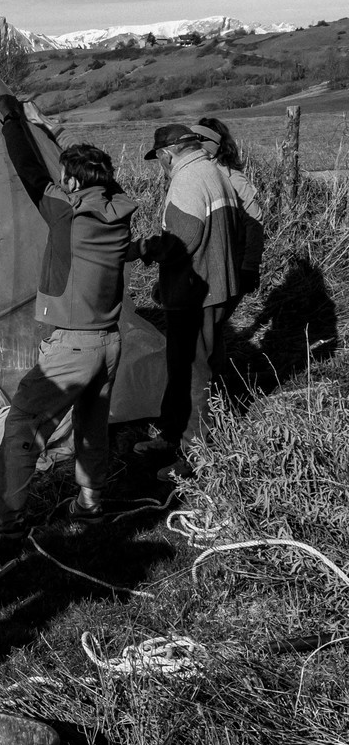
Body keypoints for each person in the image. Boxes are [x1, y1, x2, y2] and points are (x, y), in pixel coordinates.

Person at [0, 99, 144, 534]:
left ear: (72, 182)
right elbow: (100, 175)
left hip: (73, 346)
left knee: (24, 423)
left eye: (65, 177)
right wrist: (52, 129)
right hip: (109, 341)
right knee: (92, 426)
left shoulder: (66, 211)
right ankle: (90, 505)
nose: (60, 181)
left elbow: (28, 170)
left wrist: (10, 119)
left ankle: (6, 519)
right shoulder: (119, 208)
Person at [136, 123, 242, 478]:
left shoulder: (186, 179)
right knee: (185, 365)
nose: (162, 166)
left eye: (160, 159)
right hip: (215, 285)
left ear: (167, 154)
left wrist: (145, 248)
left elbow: (181, 240)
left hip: (195, 293)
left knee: (194, 372)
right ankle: (172, 434)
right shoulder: (214, 172)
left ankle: (195, 454)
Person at [193, 116, 265, 298]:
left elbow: (254, 222)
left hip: (231, 264)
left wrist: (249, 266)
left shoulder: (233, 179)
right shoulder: (195, 177)